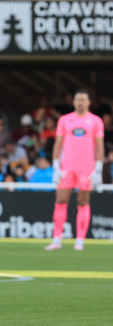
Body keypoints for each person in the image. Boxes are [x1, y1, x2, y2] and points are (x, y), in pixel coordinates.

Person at [45, 90, 105, 251]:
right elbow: (58, 144)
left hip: (87, 169)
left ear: (88, 102)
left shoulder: (95, 121)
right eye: (78, 99)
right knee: (60, 201)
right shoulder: (65, 120)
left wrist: (98, 169)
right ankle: (57, 239)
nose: (80, 102)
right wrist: (56, 167)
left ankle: (80, 241)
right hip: (67, 168)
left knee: (83, 202)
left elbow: (99, 146)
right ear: (73, 102)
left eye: (83, 100)